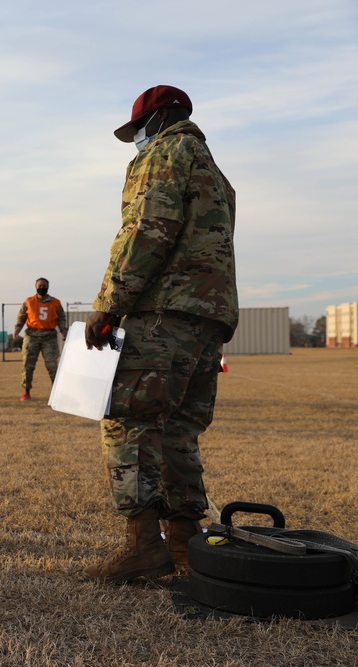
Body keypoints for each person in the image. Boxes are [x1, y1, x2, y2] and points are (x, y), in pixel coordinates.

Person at [83, 85, 238, 583]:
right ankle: (189, 544)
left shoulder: (164, 151)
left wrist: (110, 303)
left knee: (128, 422)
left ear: (160, 118)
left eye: (137, 131)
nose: (136, 142)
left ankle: (146, 547)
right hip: (207, 320)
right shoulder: (214, 169)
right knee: (178, 430)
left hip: (162, 315)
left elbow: (147, 229)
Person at [12, 277, 67, 401]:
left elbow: (61, 318)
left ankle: (56, 392)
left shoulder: (56, 303)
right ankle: (26, 391)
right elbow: (21, 318)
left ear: (48, 287)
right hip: (32, 336)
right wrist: (17, 330)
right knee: (28, 365)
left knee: (52, 365)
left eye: (44, 285)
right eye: (39, 285)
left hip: (49, 337)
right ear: (35, 286)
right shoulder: (29, 301)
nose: (42, 287)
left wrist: (64, 331)